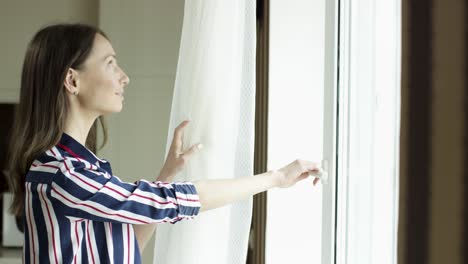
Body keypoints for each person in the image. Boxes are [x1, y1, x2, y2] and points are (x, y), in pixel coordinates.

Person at [6, 23, 323, 264]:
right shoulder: (65, 174)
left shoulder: (79, 169)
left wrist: (166, 174)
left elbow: (124, 250)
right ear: (73, 80)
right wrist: (275, 178)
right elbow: (174, 202)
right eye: (110, 63)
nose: (123, 77)